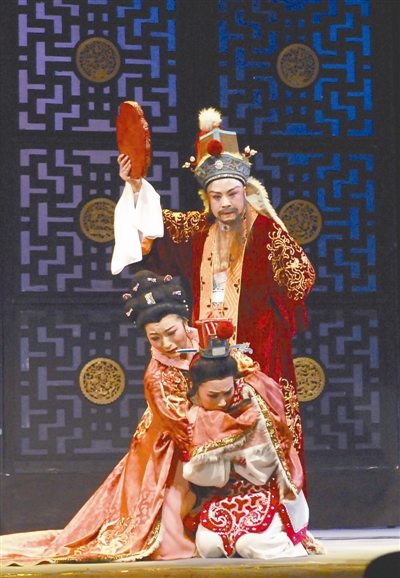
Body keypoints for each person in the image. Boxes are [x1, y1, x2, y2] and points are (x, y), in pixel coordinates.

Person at [111, 107, 315, 471]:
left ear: (245, 192)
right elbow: (155, 229)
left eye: (232, 194)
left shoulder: (266, 233)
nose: (225, 204)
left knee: (264, 442)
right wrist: (136, 185)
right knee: (209, 442)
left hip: (258, 354)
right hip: (206, 356)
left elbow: (301, 280)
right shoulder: (198, 230)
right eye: (216, 196)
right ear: (207, 198)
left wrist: (277, 250)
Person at [0, 271, 198, 565]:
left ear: (184, 321)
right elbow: (183, 426)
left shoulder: (207, 341)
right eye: (155, 338)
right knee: (164, 530)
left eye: (171, 332)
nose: (166, 343)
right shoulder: (156, 377)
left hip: (202, 430)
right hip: (165, 445)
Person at [181, 318, 322, 559]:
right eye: (213, 395)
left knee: (251, 545)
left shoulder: (252, 406)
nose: (222, 401)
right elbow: (201, 475)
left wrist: (227, 459)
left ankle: (289, 544)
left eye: (227, 392)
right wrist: (227, 460)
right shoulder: (195, 414)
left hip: (266, 492)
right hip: (225, 496)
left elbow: (263, 469)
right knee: (209, 546)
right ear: (196, 389)